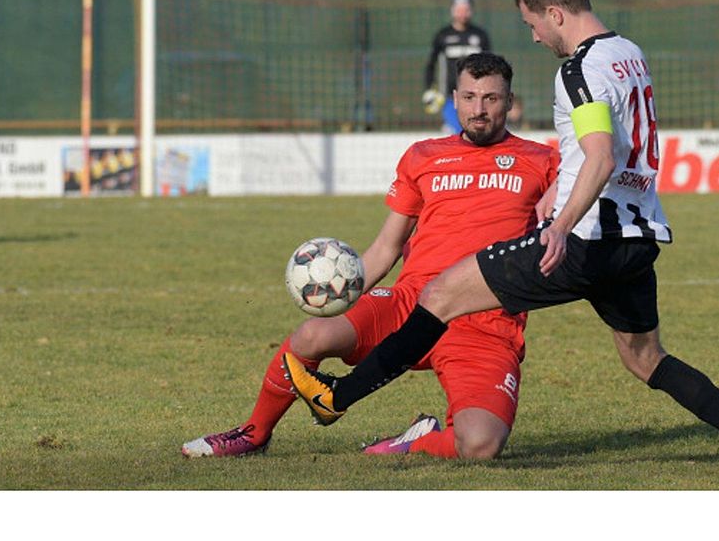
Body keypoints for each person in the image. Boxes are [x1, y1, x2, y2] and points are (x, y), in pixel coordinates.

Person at [286, 0, 719, 476]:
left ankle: (337, 397)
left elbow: (600, 155)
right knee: (645, 358)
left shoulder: (577, 69)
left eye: (532, 24)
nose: (533, 37)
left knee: (438, 294)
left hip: (587, 239)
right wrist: (560, 188)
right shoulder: (628, 53)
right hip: (637, 239)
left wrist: (561, 223)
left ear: (555, 13)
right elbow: (607, 146)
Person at [182, 52, 558, 460]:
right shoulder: (424, 156)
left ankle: (416, 441)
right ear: (454, 98)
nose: (479, 109)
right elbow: (387, 247)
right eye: (469, 97)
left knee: (480, 445)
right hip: (412, 302)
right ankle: (253, 433)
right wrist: (341, 288)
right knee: (312, 335)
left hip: (486, 322)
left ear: (509, 101)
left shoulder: (543, 162)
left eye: (491, 98)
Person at [422, 0, 491, 135]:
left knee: (477, 132)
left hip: (477, 96)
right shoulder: (443, 36)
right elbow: (431, 64)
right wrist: (429, 88)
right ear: (452, 10)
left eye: (466, 9)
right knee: (460, 132)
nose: (463, 13)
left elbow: (490, 65)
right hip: (450, 97)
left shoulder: (480, 35)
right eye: (459, 9)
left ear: (471, 11)